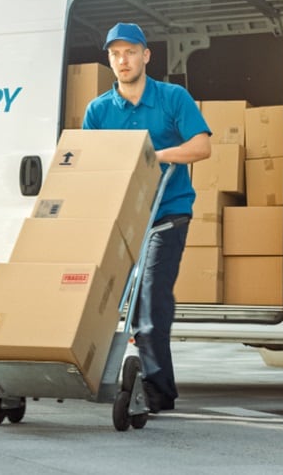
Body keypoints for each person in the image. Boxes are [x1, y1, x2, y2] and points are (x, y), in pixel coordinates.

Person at [82, 22, 211, 413]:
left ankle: (158, 392)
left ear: (146, 56)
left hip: (166, 215)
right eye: (115, 54)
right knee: (99, 298)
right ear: (110, 59)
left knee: (151, 301)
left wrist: (154, 157)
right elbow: (89, 162)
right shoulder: (99, 110)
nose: (123, 60)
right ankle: (87, 370)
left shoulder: (173, 98)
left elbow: (202, 146)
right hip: (121, 219)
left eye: (130, 52)